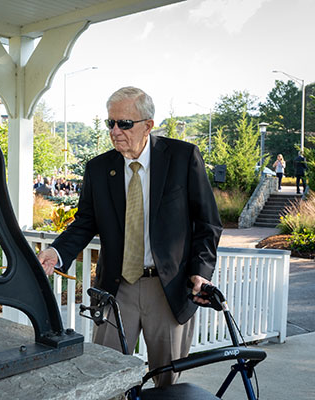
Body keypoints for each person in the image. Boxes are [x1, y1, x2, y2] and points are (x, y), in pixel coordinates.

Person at [37, 87, 222, 387]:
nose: (115, 131)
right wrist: (56, 253)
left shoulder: (182, 157)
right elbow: (85, 222)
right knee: (103, 376)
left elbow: (208, 223)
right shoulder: (98, 168)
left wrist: (200, 273)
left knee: (167, 382)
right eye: (110, 123)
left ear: (148, 125)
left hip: (169, 288)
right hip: (116, 287)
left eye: (124, 123)